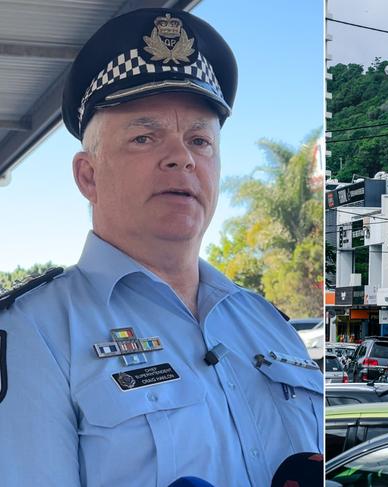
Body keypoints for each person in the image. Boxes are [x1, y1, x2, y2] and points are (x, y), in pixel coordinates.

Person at [0, 8, 322, 487]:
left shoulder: (269, 323)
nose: (181, 158)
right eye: (145, 137)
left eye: (199, 139)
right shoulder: (35, 333)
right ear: (88, 176)